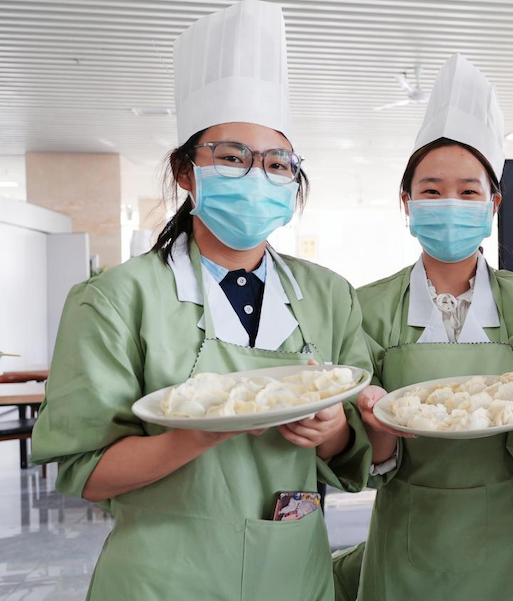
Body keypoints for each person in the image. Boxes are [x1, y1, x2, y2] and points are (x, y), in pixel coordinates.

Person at [30, 2, 372, 599]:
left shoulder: (329, 296)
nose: (258, 176)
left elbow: (353, 460)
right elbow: (86, 472)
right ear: (186, 172)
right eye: (233, 157)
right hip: (164, 578)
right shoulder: (115, 299)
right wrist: (197, 434)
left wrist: (333, 429)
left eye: (277, 164)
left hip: (293, 571)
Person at [344, 54, 513, 601]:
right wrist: (376, 423)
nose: (449, 203)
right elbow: (363, 464)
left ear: (493, 204)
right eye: (431, 191)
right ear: (406, 202)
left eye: (469, 191)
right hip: (408, 543)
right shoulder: (364, 308)